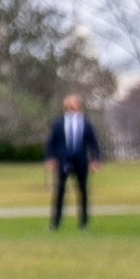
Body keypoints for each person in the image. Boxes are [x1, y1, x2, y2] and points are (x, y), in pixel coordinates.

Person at [45, 91, 104, 230]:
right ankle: (56, 223)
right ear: (66, 106)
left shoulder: (86, 124)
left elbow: (93, 143)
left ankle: (84, 223)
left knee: (82, 191)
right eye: (70, 104)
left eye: (75, 104)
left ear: (79, 106)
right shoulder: (58, 123)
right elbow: (51, 142)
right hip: (63, 161)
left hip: (81, 161)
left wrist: (96, 159)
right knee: (60, 191)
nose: (73, 106)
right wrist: (50, 158)